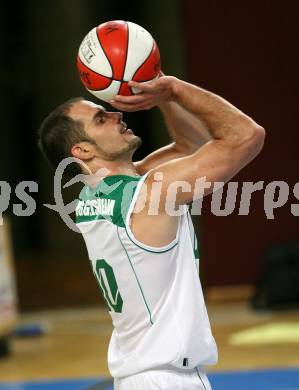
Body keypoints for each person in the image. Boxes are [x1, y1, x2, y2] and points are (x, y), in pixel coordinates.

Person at [38, 75, 265, 389]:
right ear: (84, 151)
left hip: (138, 376)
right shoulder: (151, 192)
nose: (117, 115)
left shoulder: (92, 197)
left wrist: (158, 93)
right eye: (101, 119)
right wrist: (174, 90)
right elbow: (246, 135)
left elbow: (190, 147)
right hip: (167, 379)